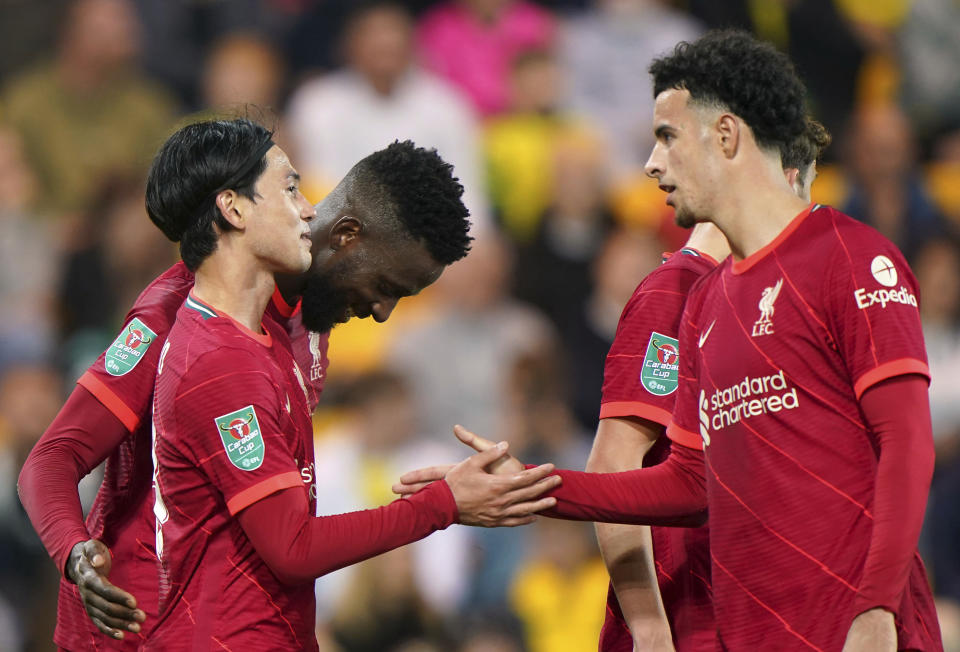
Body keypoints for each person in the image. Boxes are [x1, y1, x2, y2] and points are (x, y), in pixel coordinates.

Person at [399, 30, 943, 651]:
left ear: (726, 136)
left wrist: (874, 609)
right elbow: (686, 484)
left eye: (667, 136)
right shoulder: (706, 300)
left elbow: (906, 441)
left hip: (852, 629)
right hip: (748, 633)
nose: (652, 164)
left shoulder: (851, 255)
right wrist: (523, 486)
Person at [17, 126, 557, 649]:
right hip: (138, 627)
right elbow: (52, 458)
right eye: (387, 287)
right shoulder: (175, 317)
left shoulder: (309, 318)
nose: (382, 312)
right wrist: (75, 551)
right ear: (347, 237)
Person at [587, 118, 829, 652]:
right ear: (784, 180)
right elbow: (614, 465)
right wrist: (649, 623)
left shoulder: (780, 294)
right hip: (692, 619)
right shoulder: (673, 292)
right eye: (807, 189)